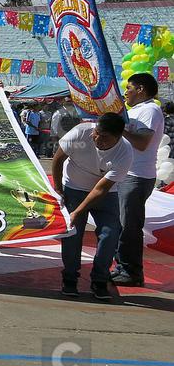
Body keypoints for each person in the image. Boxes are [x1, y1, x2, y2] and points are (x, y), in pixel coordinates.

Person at [52, 112, 132, 301]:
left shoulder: (125, 152)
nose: (97, 139)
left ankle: (100, 279)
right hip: (74, 188)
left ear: (118, 137)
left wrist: (78, 212)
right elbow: (58, 159)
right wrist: (59, 189)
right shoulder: (80, 133)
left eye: (105, 138)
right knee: (72, 234)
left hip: (105, 195)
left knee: (110, 234)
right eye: (97, 133)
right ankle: (70, 278)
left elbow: (101, 189)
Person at [112, 73, 165, 287]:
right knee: (121, 224)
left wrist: (119, 129)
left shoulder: (150, 110)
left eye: (129, 87)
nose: (126, 92)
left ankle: (131, 272)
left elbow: (142, 143)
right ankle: (121, 267)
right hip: (125, 174)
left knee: (129, 226)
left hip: (136, 176)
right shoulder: (135, 110)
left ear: (141, 89)